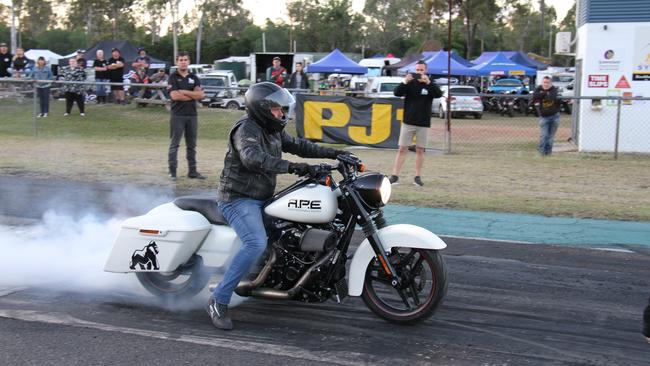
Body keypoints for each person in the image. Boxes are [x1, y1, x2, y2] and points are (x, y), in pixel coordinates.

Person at [206, 82, 347, 330]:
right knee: (255, 242)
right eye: (278, 110)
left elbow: (300, 146)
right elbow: (253, 158)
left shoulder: (273, 129)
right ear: (263, 108)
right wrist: (294, 167)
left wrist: (336, 154)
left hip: (263, 197)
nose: (282, 114)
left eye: (283, 110)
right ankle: (218, 300)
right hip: (238, 199)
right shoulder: (246, 129)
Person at [388, 60, 442, 187]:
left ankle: (417, 177)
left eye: (421, 70)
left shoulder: (430, 83)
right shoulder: (410, 82)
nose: (419, 72)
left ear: (426, 70)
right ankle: (395, 176)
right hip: (408, 121)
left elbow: (438, 94)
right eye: (417, 70)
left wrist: (428, 82)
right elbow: (397, 93)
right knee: (402, 149)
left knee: (420, 150)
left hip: (423, 123)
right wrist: (404, 81)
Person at [167, 51, 206, 181]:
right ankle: (172, 172)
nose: (183, 62)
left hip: (192, 115)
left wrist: (183, 91)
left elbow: (200, 95)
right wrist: (191, 94)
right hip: (177, 115)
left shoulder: (194, 77)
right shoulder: (173, 77)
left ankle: (193, 172)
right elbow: (174, 96)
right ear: (176, 62)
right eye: (181, 60)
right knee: (174, 144)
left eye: (185, 59)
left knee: (191, 145)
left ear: (189, 62)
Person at [532, 76, 561, 156]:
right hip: (544, 117)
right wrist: (544, 93)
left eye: (548, 82)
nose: (546, 84)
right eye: (544, 82)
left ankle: (548, 152)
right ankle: (542, 152)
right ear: (542, 82)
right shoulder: (538, 88)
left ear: (551, 83)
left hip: (555, 116)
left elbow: (551, 98)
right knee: (544, 135)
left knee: (551, 137)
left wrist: (542, 94)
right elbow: (535, 96)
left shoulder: (554, 89)